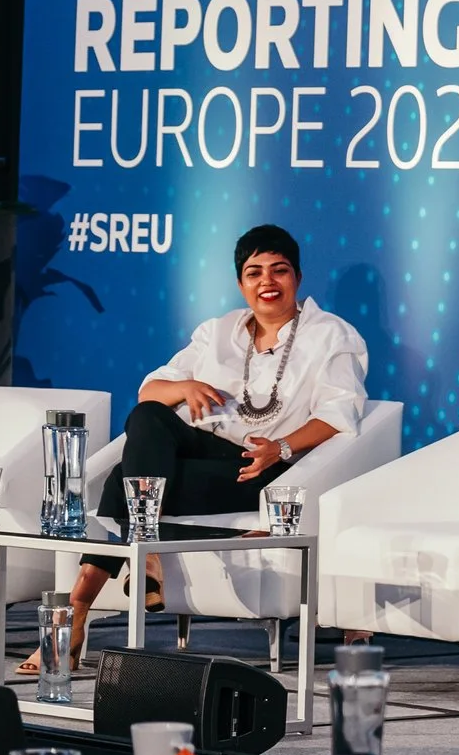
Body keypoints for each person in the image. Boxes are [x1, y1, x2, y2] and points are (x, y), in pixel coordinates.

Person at [19, 224, 368, 674]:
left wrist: (280, 448)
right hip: (199, 452)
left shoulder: (331, 335)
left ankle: (76, 613)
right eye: (254, 272)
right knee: (147, 419)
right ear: (241, 283)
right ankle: (152, 549)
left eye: (279, 271)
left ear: (297, 278)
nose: (267, 282)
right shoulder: (218, 331)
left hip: (259, 467)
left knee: (118, 486)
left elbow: (341, 414)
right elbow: (150, 392)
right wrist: (185, 385)